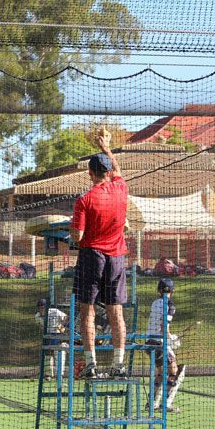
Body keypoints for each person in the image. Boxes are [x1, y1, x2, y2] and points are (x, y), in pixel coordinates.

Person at [69, 129, 128, 380]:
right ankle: (118, 364)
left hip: (92, 256)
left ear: (90, 173)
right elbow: (118, 170)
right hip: (116, 257)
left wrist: (70, 228)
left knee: (87, 310)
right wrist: (107, 148)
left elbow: (77, 236)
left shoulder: (84, 200)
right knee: (116, 312)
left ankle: (91, 364)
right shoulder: (121, 188)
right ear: (108, 172)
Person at [146, 278, 183, 409]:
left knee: (162, 373)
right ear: (172, 291)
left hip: (149, 342)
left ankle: (151, 404)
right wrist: (171, 339)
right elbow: (163, 327)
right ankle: (166, 404)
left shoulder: (155, 303)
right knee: (175, 372)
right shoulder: (170, 305)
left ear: (158, 290)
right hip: (159, 344)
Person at [35, 298, 68, 379]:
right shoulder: (37, 316)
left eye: (43, 307)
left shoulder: (55, 311)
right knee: (47, 355)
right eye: (39, 307)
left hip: (57, 335)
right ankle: (48, 374)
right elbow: (40, 326)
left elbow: (65, 317)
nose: (41, 309)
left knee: (59, 353)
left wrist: (62, 326)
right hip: (47, 336)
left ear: (47, 307)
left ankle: (59, 375)